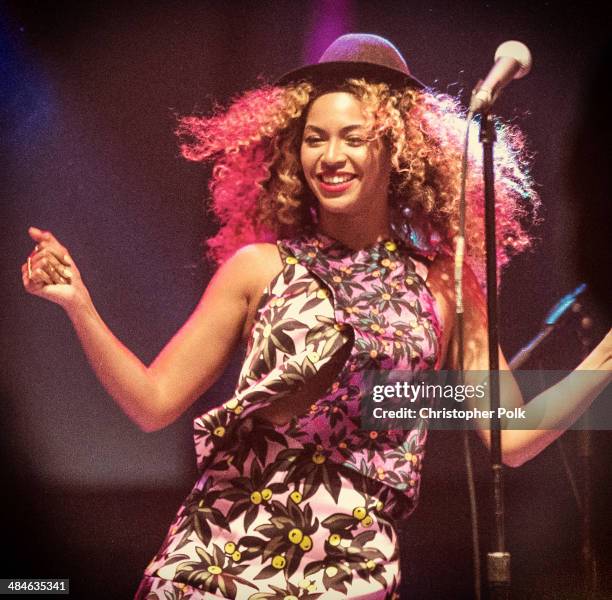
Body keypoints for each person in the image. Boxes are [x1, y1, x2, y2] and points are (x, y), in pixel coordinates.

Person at [21, 34, 611, 599]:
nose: (329, 157)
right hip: (220, 562)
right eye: (314, 138)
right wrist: (80, 306)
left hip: (352, 572)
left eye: (352, 138)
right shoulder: (258, 269)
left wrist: (605, 359)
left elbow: (510, 433)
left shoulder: (444, 285)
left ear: (395, 147)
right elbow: (152, 404)